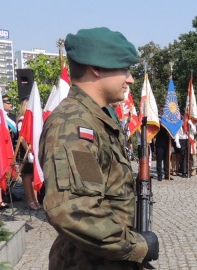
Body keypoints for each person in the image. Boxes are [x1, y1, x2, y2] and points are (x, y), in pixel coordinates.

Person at [39, 27, 158, 269]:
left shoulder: (95, 119)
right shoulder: (73, 125)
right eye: (124, 69)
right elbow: (73, 209)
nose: (130, 79)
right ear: (97, 69)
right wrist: (135, 246)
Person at [17, 98, 41, 210]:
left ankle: (35, 200)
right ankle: (30, 200)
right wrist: (29, 152)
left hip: (33, 150)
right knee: (27, 176)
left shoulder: (31, 120)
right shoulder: (22, 121)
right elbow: (22, 138)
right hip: (26, 151)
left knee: (34, 176)